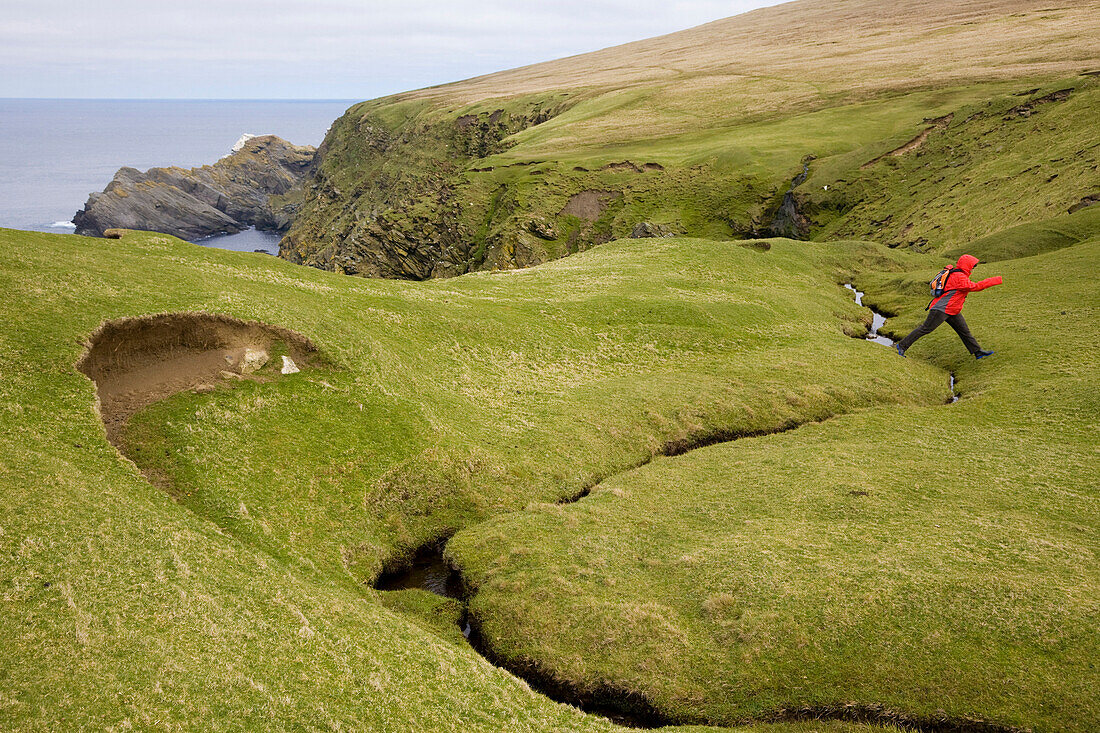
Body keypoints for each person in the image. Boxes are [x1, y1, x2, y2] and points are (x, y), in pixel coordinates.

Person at [895, 254, 1002, 359]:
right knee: (925, 329)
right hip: (941, 309)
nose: (973, 268)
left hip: (952, 310)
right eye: (972, 266)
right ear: (967, 266)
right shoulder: (959, 276)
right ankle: (902, 346)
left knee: (964, 331)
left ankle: (977, 352)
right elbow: (975, 287)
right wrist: (995, 280)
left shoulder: (958, 274)